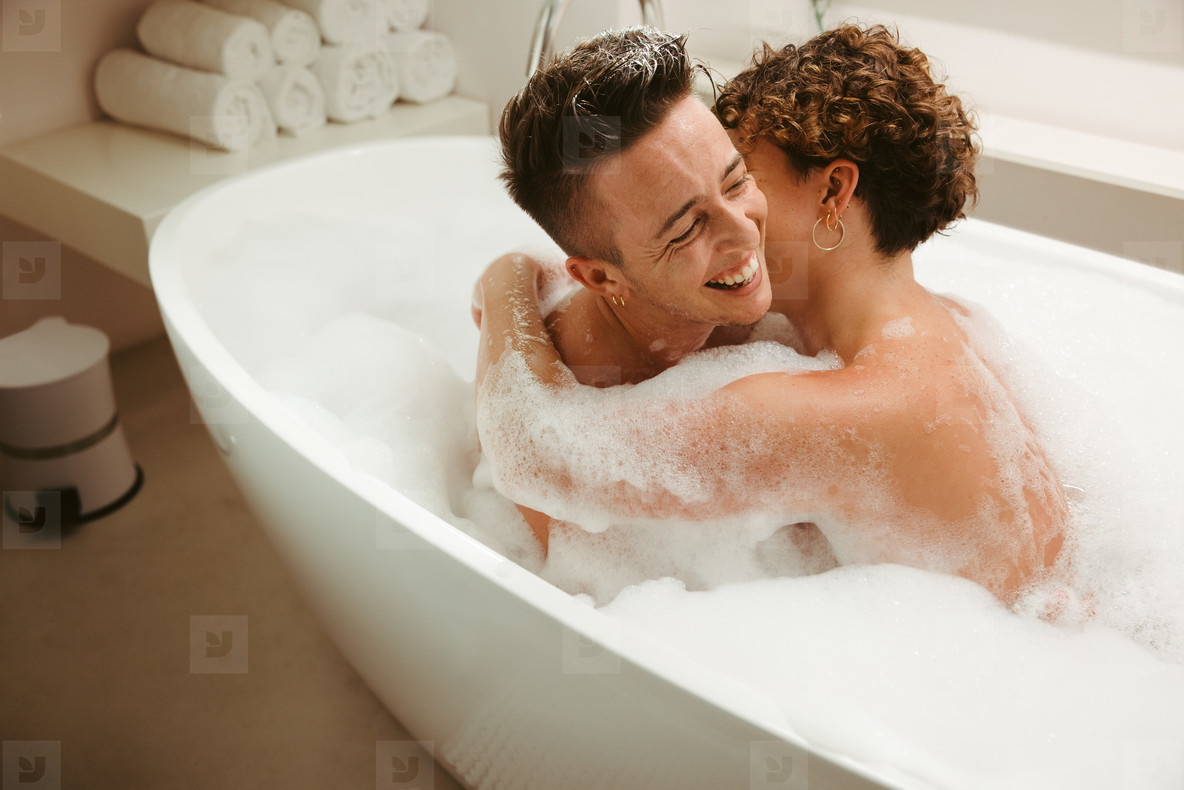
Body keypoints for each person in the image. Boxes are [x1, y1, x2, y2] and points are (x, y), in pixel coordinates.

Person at [476, 24, 1069, 605]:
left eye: (741, 179)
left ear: (835, 192)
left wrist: (507, 276)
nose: (744, 229)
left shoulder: (849, 410)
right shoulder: (950, 325)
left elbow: (542, 455)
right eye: (688, 226)